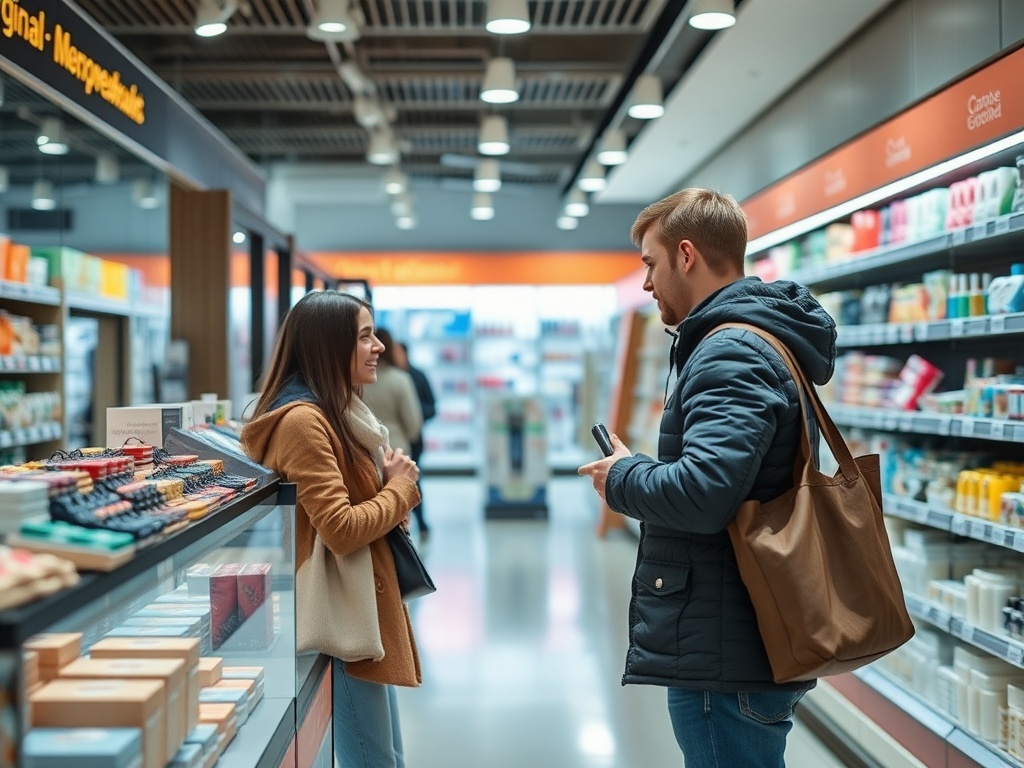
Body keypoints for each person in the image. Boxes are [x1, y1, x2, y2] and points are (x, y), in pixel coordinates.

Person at [578, 188, 836, 768]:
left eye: (650, 263)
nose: (645, 284)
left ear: (686, 256)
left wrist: (624, 476)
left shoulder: (730, 353)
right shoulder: (747, 343)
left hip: (726, 648)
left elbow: (702, 495)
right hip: (737, 632)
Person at [240, 291, 421, 768]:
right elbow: (340, 529)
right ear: (327, 345)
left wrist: (386, 494)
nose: (378, 345)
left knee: (388, 754)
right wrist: (399, 490)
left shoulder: (340, 412)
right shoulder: (304, 421)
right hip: (341, 615)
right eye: (364, 336)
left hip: (362, 605)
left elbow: (349, 510)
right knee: (373, 758)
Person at [361, 329, 424, 524]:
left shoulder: (357, 381)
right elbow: (414, 423)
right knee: (400, 513)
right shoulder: (400, 379)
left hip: (363, 450)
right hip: (397, 450)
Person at [392, 340, 436, 541]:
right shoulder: (390, 378)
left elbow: (432, 406)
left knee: (414, 479)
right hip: (399, 439)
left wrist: (418, 418)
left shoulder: (416, 377)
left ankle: (419, 522)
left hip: (412, 439)